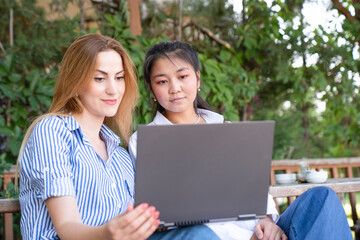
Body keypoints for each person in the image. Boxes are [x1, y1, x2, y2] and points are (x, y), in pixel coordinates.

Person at [128, 40, 353, 240]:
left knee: (322, 197)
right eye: (162, 81)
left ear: (197, 79)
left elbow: (254, 189)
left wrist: (266, 221)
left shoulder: (226, 130)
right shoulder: (144, 141)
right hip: (207, 236)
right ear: (151, 88)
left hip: (259, 231)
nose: (174, 88)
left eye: (182, 76)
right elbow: (174, 216)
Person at [18, 34, 219, 240]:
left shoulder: (119, 154)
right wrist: (107, 233)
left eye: (119, 77)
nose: (113, 90)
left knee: (199, 233)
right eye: (99, 78)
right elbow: (67, 228)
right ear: (75, 81)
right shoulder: (53, 131)